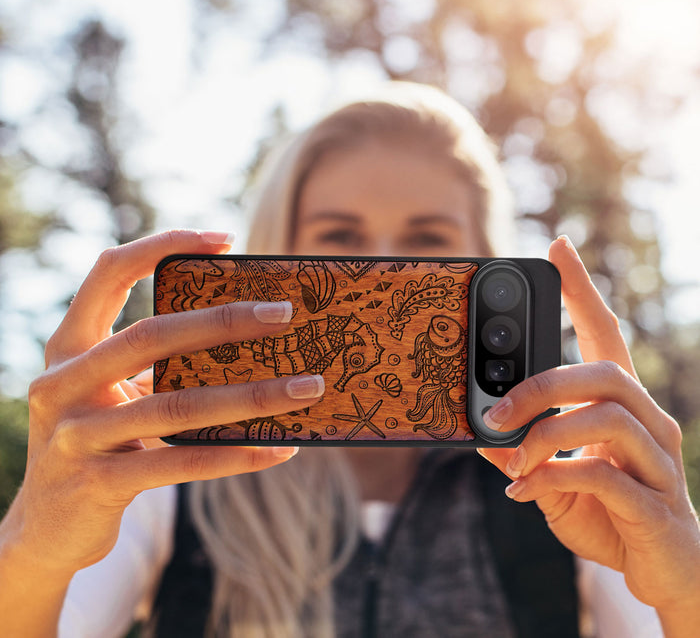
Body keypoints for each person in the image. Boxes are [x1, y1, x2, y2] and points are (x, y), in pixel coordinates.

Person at [0, 83, 698, 638]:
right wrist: (34, 545)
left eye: (427, 241)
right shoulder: (170, 474)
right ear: (278, 253)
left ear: (486, 261)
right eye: (340, 238)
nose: (386, 267)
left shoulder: (567, 482)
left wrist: (685, 586)